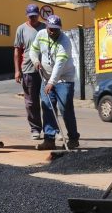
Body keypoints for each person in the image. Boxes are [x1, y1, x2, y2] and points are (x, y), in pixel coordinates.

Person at [29, 14, 80, 150]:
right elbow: (33, 50)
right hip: (46, 78)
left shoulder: (65, 41)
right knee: (47, 107)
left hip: (64, 79)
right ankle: (49, 139)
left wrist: (51, 82)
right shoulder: (41, 35)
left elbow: (59, 64)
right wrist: (36, 61)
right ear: (46, 27)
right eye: (50, 29)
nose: (52, 32)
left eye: (55, 29)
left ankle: (73, 138)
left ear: (60, 29)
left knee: (65, 109)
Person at [14, 4, 45, 140]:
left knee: (48, 101)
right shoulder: (21, 29)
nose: (33, 18)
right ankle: (35, 129)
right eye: (30, 16)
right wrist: (17, 70)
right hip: (28, 69)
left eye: (35, 16)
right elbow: (17, 50)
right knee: (31, 102)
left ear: (38, 14)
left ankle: (52, 129)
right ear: (27, 15)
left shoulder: (45, 27)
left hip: (45, 70)